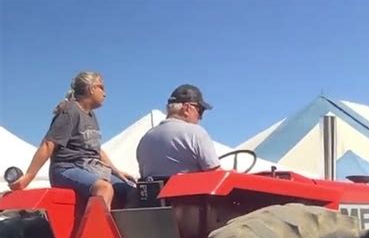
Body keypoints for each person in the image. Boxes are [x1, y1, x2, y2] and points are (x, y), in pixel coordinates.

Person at [9, 71, 136, 210]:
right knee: (104, 188)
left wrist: (117, 172)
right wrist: (28, 176)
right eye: (102, 87)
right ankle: (95, 231)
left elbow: (96, 150)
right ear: (91, 88)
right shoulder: (70, 111)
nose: (105, 93)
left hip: (91, 168)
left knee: (132, 191)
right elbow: (48, 144)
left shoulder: (91, 116)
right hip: (67, 168)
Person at [136, 84, 220, 178]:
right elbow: (215, 174)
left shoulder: (145, 139)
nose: (200, 117)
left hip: (156, 193)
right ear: (187, 108)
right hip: (190, 192)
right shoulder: (195, 133)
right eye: (200, 110)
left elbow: (144, 176)